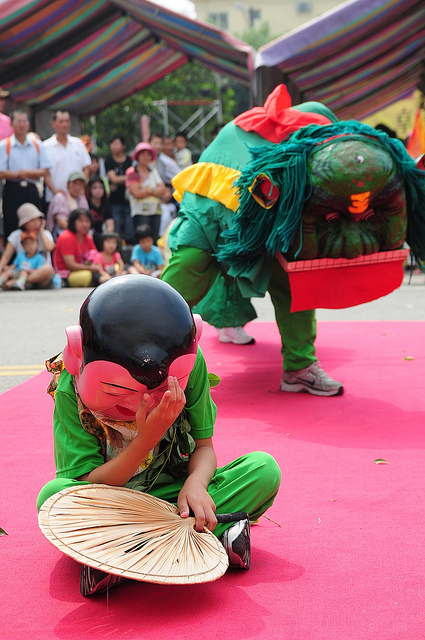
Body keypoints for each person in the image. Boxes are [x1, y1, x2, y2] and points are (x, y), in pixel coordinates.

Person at [37, 274, 281, 595]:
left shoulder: (190, 367)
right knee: (53, 496)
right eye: (118, 389)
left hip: (177, 500)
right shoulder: (71, 389)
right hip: (114, 504)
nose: (144, 401)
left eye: (162, 387)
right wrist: (147, 437)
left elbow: (204, 447)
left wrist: (196, 485)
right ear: (77, 354)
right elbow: (86, 485)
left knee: (263, 470)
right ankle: (209, 535)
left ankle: (120, 555)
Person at [0, 110, 53, 239]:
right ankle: (13, 257)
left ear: (28, 124)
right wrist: (18, 175)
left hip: (31, 189)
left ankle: (36, 255)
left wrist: (29, 173)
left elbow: (45, 170)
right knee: (12, 224)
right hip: (12, 189)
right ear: (12, 124)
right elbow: (1, 172)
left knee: (35, 223)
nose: (21, 125)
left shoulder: (37, 144)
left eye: (24, 121)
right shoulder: (4, 145)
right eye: (18, 121)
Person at [0, 202, 56, 289]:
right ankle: (20, 282)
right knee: (7, 271)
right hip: (20, 272)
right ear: (24, 223)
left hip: (39, 275)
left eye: (38, 220)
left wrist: (41, 231)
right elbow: (6, 257)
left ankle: (16, 283)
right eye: (33, 221)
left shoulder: (45, 234)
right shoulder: (16, 235)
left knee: (48, 269)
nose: (37, 223)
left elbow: (50, 247)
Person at [43, 110, 91, 207]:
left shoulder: (78, 143)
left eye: (67, 121)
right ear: (53, 123)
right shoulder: (46, 146)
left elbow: (86, 167)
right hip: (55, 197)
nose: (64, 124)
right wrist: (54, 190)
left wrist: (81, 188)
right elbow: (44, 172)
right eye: (61, 121)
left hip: (77, 197)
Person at [53, 208, 106, 287]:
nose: (84, 224)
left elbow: (96, 258)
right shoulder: (66, 237)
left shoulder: (87, 238)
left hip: (87, 269)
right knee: (86, 275)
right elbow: (70, 265)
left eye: (87, 221)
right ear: (73, 222)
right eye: (81, 221)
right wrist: (91, 268)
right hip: (67, 274)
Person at [125, 142, 165, 243]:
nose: (146, 157)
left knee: (155, 239)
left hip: (156, 210)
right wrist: (153, 190)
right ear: (137, 156)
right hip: (140, 211)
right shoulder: (132, 172)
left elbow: (162, 190)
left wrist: (146, 190)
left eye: (148, 154)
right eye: (143, 154)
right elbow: (136, 194)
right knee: (142, 238)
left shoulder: (153, 171)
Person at [104, 135, 133, 246]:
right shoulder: (109, 161)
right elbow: (113, 179)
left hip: (129, 199)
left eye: (117, 144)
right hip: (114, 200)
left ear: (123, 146)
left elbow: (136, 178)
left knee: (129, 226)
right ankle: (117, 247)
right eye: (112, 144)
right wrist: (128, 177)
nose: (114, 147)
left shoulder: (130, 160)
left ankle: (129, 247)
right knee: (115, 226)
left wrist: (119, 180)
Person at [46, 171, 89, 240]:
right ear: (68, 184)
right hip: (62, 234)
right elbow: (61, 222)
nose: (77, 187)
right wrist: (78, 230)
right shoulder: (60, 197)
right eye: (74, 183)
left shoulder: (82, 199)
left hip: (80, 233)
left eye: (80, 184)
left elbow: (87, 218)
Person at [85, 175, 114, 248]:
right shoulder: (85, 204)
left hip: (102, 236)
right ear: (89, 189)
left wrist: (106, 237)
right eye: (94, 188)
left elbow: (110, 225)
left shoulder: (107, 205)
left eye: (101, 187)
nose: (98, 190)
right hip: (88, 234)